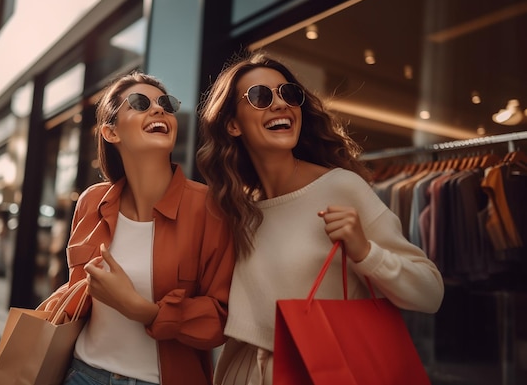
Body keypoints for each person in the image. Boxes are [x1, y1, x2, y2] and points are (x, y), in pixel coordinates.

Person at [195, 52, 445, 385]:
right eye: (260, 97)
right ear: (232, 124)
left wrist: (365, 252)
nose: (281, 104)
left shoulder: (340, 187)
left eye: (289, 94)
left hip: (318, 371)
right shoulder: (235, 209)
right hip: (242, 373)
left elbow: (430, 293)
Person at [52, 71, 235, 385]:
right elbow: (78, 293)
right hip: (82, 374)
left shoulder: (209, 208)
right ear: (111, 132)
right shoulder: (91, 202)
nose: (159, 109)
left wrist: (142, 310)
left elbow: (220, 317)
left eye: (165, 103)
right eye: (140, 103)